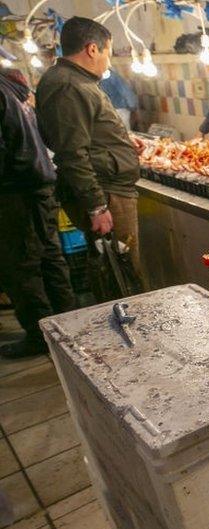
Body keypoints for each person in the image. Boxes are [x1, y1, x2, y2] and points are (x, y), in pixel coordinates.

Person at [36, 17, 144, 278]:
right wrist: (97, 206)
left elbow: (85, 134)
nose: (108, 62)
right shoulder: (69, 86)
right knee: (120, 272)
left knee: (118, 266)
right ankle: (129, 317)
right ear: (92, 49)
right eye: (107, 52)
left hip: (110, 187)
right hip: (107, 192)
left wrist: (121, 142)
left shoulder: (74, 80)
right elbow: (72, 153)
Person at [0, 62, 76, 358]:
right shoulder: (11, 88)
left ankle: (41, 336)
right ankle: (66, 325)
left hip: (15, 191)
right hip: (37, 185)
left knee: (23, 265)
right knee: (48, 257)